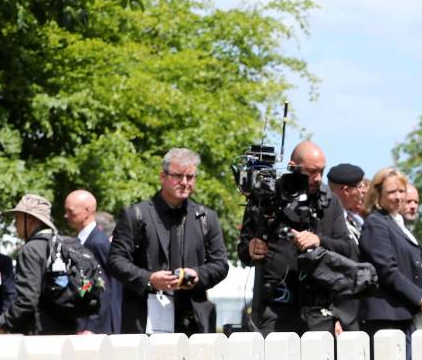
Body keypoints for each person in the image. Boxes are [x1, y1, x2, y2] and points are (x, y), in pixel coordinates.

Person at [238, 141, 356, 335]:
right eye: (311, 172)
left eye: (321, 171)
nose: (318, 178)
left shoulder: (329, 201)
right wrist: (251, 248)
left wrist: (319, 241)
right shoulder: (266, 196)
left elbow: (347, 248)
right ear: (292, 167)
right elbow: (243, 251)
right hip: (274, 310)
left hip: (318, 312)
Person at [108, 148, 229, 336]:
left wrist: (197, 275)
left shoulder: (207, 218)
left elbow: (220, 264)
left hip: (193, 322)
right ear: (162, 177)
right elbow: (116, 261)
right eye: (178, 176)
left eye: (190, 177)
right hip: (145, 321)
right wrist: (150, 279)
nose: (184, 183)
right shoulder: (135, 215)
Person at [360, 167, 422, 337]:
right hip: (386, 317)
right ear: (378, 194)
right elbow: (387, 270)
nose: (398, 197)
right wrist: (421, 298)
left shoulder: (397, 223)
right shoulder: (376, 223)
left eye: (401, 191)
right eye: (392, 192)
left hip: (403, 314)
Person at [0, 194, 77, 336]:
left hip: (40, 336)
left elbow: (27, 300)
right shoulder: (63, 244)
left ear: (30, 219)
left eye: (18, 218)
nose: (15, 224)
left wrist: (4, 323)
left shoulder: (31, 249)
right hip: (68, 330)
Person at [64, 189, 117, 334]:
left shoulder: (96, 243)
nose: (66, 215)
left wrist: (91, 327)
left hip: (95, 329)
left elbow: (104, 288)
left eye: (70, 211)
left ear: (87, 210)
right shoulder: (86, 241)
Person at [327, 162, 367, 333]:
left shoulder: (357, 220)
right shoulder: (326, 221)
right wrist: (334, 316)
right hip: (341, 314)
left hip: (359, 311)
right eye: (360, 186)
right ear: (345, 190)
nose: (363, 191)